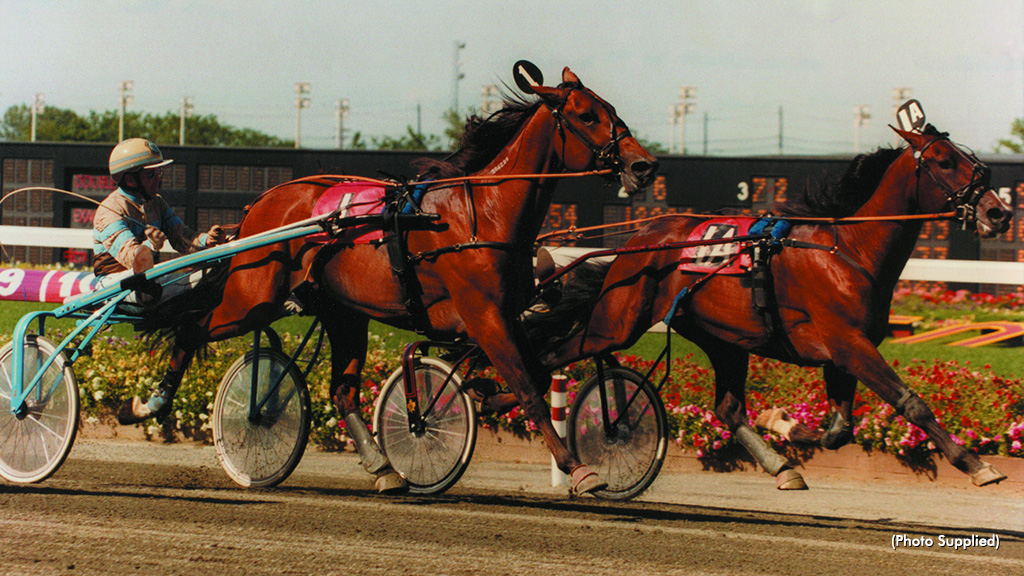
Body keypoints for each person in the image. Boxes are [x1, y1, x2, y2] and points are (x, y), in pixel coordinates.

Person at [93, 138, 226, 424]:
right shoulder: (109, 211)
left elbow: (183, 238)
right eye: (151, 173)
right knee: (149, 289)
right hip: (113, 283)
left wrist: (207, 240)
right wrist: (149, 247)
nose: (158, 178)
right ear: (130, 178)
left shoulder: (158, 203)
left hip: (149, 280)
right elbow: (133, 260)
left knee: (208, 277)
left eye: (158, 172)